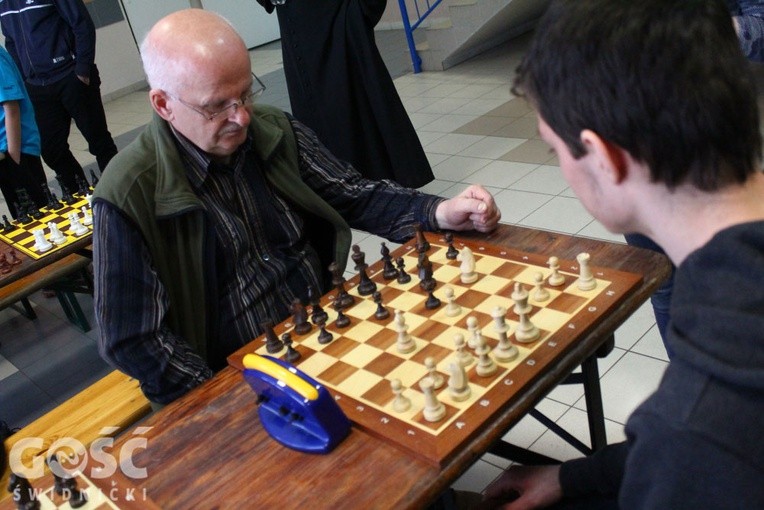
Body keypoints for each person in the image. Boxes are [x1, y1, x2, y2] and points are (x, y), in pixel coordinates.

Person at [91, 8, 500, 407]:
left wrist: (440, 212)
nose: (241, 116)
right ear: (163, 104)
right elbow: (133, 339)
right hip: (238, 380)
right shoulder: (128, 193)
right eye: (218, 105)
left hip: (327, 332)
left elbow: (355, 193)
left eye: (246, 93)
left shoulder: (274, 129)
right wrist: (221, 397)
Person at [482, 1, 764, 508]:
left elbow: (699, 448)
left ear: (604, 158)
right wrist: (578, 477)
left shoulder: (695, 428)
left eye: (555, 149)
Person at [254, 0, 434, 188]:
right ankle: (339, 190)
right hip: (297, 36)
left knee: (354, 118)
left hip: (338, 31)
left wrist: (355, 18)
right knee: (317, 129)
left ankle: (377, 193)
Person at [0, 0, 118, 196]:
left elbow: (81, 22)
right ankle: (80, 196)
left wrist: (82, 69)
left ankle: (119, 193)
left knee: (99, 142)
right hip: (37, 86)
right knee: (52, 151)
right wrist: (24, 77)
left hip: (71, 76)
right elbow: (11, 41)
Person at [0, 46, 47, 218]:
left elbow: (12, 110)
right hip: (7, 153)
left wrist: (15, 159)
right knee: (22, 217)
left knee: (38, 217)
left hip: (17, 149)